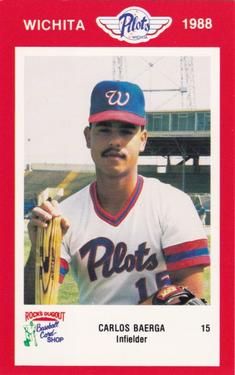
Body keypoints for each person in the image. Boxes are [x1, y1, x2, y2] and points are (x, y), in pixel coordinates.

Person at [25, 80, 210, 305]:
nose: (115, 141)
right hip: (93, 337)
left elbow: (190, 296)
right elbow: (32, 308)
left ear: (143, 140)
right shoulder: (65, 215)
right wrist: (38, 250)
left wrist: (120, 328)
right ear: (88, 137)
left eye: (126, 131)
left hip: (160, 335)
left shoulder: (173, 204)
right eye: (104, 130)